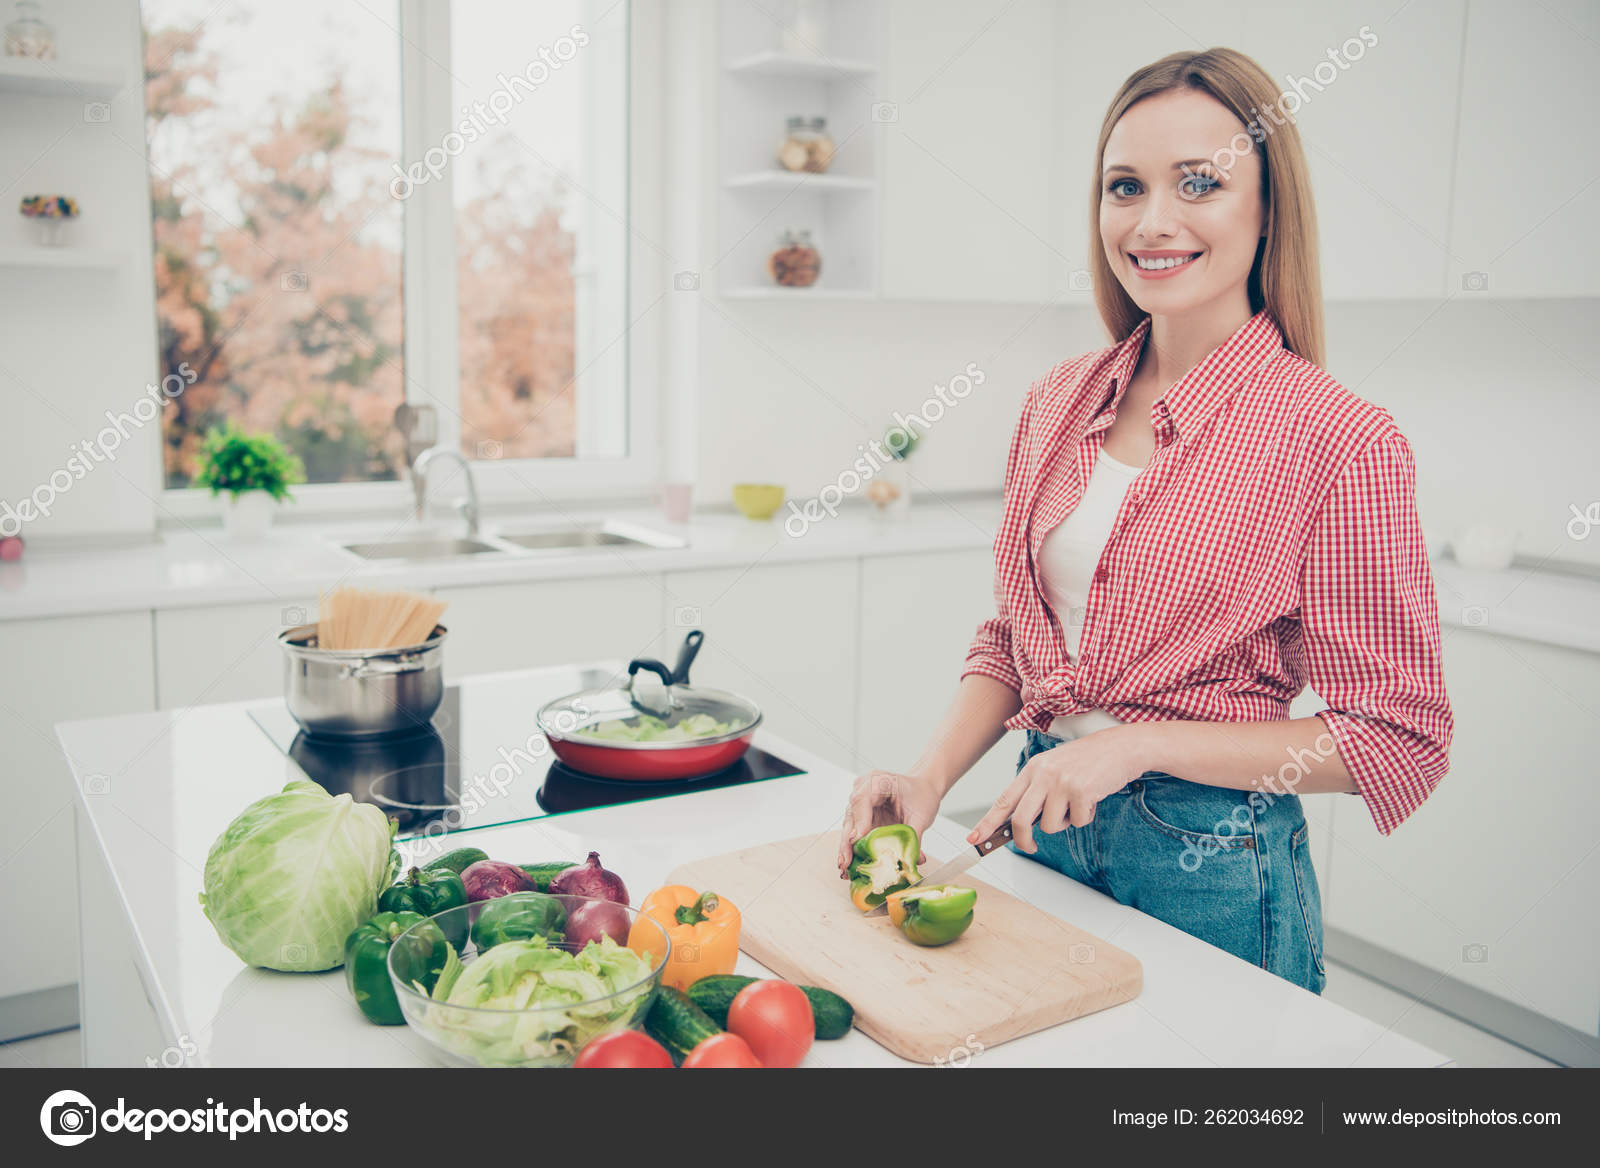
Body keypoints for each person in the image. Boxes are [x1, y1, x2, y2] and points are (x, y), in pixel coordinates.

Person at [834, 48, 1453, 994]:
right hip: (1044, 834)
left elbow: (1394, 734)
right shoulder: (1056, 403)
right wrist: (930, 780)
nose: (1153, 221)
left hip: (1209, 866)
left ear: (1267, 209)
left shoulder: (1340, 439)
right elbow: (1019, 638)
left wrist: (1139, 744)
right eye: (1125, 186)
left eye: (1199, 183)